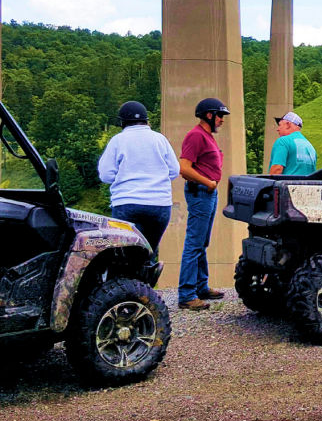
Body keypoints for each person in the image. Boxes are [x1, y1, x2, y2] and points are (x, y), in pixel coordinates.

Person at [97, 101, 179, 266]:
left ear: (122, 122)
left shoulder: (117, 141)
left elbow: (105, 175)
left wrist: (124, 178)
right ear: (146, 121)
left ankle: (127, 289)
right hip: (159, 206)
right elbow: (174, 170)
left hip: (127, 204)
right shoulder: (160, 139)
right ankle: (145, 288)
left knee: (124, 255)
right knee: (148, 252)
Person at [177, 97, 230, 311]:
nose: (222, 120)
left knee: (202, 242)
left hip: (208, 192)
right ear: (209, 115)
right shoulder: (195, 136)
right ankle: (187, 294)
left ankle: (201, 286)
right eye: (220, 116)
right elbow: (183, 167)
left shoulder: (207, 136)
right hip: (201, 192)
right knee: (194, 243)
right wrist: (208, 182)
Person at [267, 111, 318, 176]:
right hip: (307, 185)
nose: (278, 129)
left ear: (288, 125)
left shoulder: (282, 141)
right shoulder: (310, 146)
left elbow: (277, 169)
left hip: (286, 185)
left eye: (280, 125)